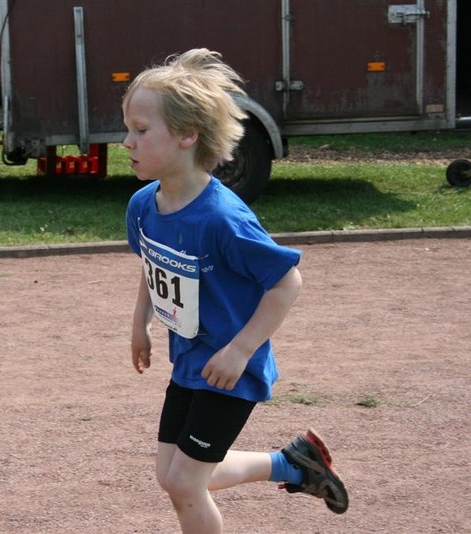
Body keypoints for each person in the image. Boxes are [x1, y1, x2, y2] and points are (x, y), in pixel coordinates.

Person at [123, 48, 349, 533]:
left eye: (141, 130)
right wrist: (140, 322)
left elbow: (286, 281)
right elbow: (151, 261)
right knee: (171, 476)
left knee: (185, 483)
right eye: (128, 129)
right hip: (190, 361)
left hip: (230, 371)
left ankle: (291, 465)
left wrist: (240, 351)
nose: (127, 141)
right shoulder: (143, 205)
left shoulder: (223, 218)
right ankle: (292, 464)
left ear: (187, 135)